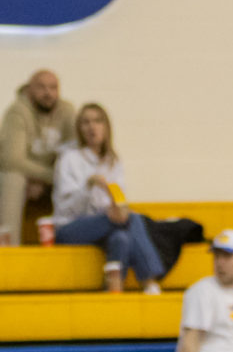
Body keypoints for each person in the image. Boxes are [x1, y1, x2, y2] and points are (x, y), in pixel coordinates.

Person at [52, 104, 167, 294]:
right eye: (85, 122)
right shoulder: (69, 159)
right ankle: (149, 279)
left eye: (97, 121)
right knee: (132, 219)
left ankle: (114, 289)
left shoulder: (113, 160)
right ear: (79, 129)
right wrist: (89, 186)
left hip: (105, 225)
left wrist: (117, 208)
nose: (92, 127)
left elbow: (118, 199)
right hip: (70, 228)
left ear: (106, 127)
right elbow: (66, 207)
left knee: (121, 237)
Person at [0, 72, 75, 246]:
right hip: (1, 176)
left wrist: (45, 180)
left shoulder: (67, 111)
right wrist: (48, 176)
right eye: (41, 87)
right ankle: (9, 248)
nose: (48, 93)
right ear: (29, 89)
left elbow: (75, 156)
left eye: (53, 87)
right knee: (14, 179)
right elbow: (12, 161)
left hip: (44, 181)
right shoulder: (17, 111)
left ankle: (75, 243)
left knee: (77, 178)